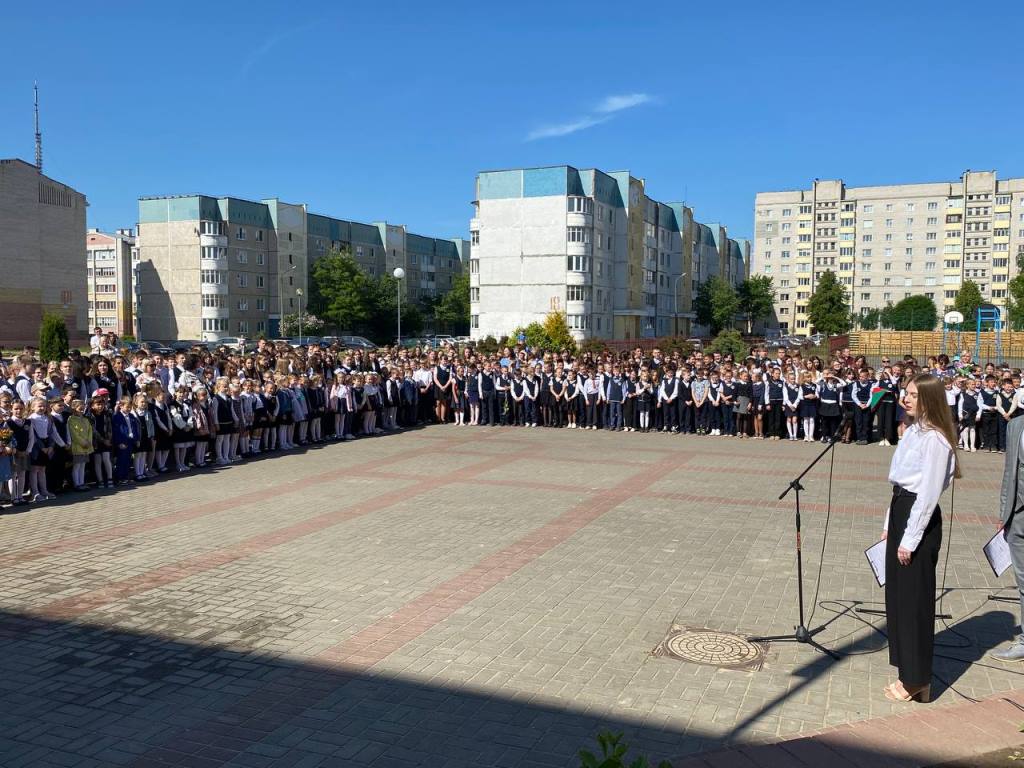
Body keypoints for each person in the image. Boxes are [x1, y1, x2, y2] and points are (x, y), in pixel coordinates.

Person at [882, 373, 959, 703]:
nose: (906, 398)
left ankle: (917, 679)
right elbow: (899, 485)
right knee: (898, 597)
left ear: (930, 398)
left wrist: (910, 539)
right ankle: (906, 669)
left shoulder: (936, 440)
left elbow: (927, 493)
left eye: (914, 394)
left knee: (915, 601)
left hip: (919, 519)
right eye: (906, 392)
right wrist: (890, 523)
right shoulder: (913, 431)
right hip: (902, 510)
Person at [992, 402, 1024, 663]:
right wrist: (1004, 513)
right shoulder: (1015, 425)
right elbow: (1009, 473)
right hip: (1019, 516)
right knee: (1023, 581)